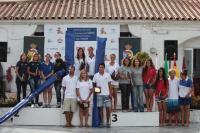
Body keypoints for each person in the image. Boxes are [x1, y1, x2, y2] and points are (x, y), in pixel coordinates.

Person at [93, 63, 112, 128]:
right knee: (100, 109)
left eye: (102, 67)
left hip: (107, 94)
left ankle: (107, 122)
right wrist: (96, 90)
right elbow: (94, 85)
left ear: (104, 68)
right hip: (99, 95)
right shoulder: (95, 75)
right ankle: (101, 122)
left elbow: (110, 85)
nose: (100, 68)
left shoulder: (108, 75)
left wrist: (110, 93)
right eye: (99, 67)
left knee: (107, 109)